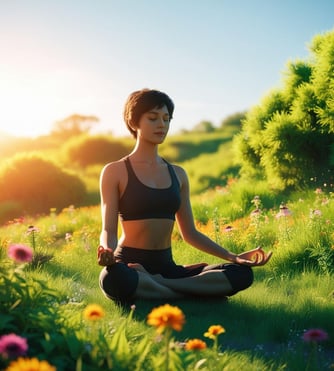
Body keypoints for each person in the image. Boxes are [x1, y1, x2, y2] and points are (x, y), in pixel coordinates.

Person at [98, 88, 272, 304]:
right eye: (153, 118)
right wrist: (107, 250)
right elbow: (108, 229)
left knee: (241, 273)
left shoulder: (178, 174)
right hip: (131, 266)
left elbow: (190, 233)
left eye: (166, 119)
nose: (162, 125)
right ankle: (193, 294)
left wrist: (233, 257)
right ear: (134, 122)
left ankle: (160, 287)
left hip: (167, 269)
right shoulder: (115, 171)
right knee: (113, 279)